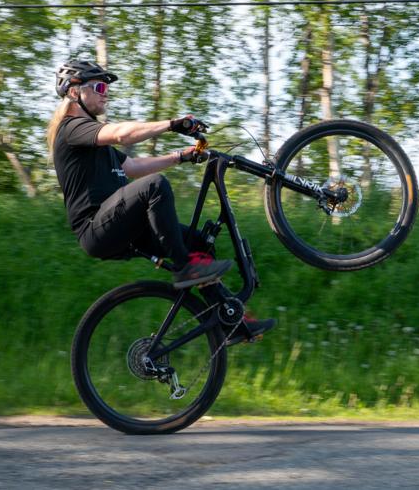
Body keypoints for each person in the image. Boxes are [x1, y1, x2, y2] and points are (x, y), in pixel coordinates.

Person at [46, 60, 274, 339]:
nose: (106, 93)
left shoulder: (91, 140)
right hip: (96, 229)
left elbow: (132, 167)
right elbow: (121, 134)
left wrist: (181, 156)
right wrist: (171, 124)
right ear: (74, 92)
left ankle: (231, 323)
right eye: (100, 87)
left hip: (122, 226)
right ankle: (185, 268)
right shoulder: (72, 128)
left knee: (198, 243)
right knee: (154, 186)